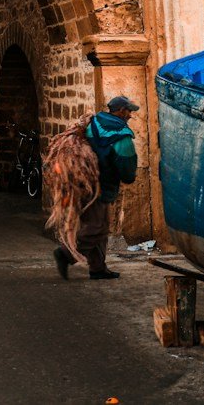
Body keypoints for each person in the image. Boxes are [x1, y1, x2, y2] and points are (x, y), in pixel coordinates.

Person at [55, 95, 138, 281]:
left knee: (102, 226)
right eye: (128, 110)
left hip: (83, 180)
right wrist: (129, 177)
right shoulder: (120, 134)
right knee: (96, 226)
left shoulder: (95, 122)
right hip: (99, 186)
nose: (130, 114)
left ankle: (98, 268)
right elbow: (127, 168)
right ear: (120, 111)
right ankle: (65, 254)